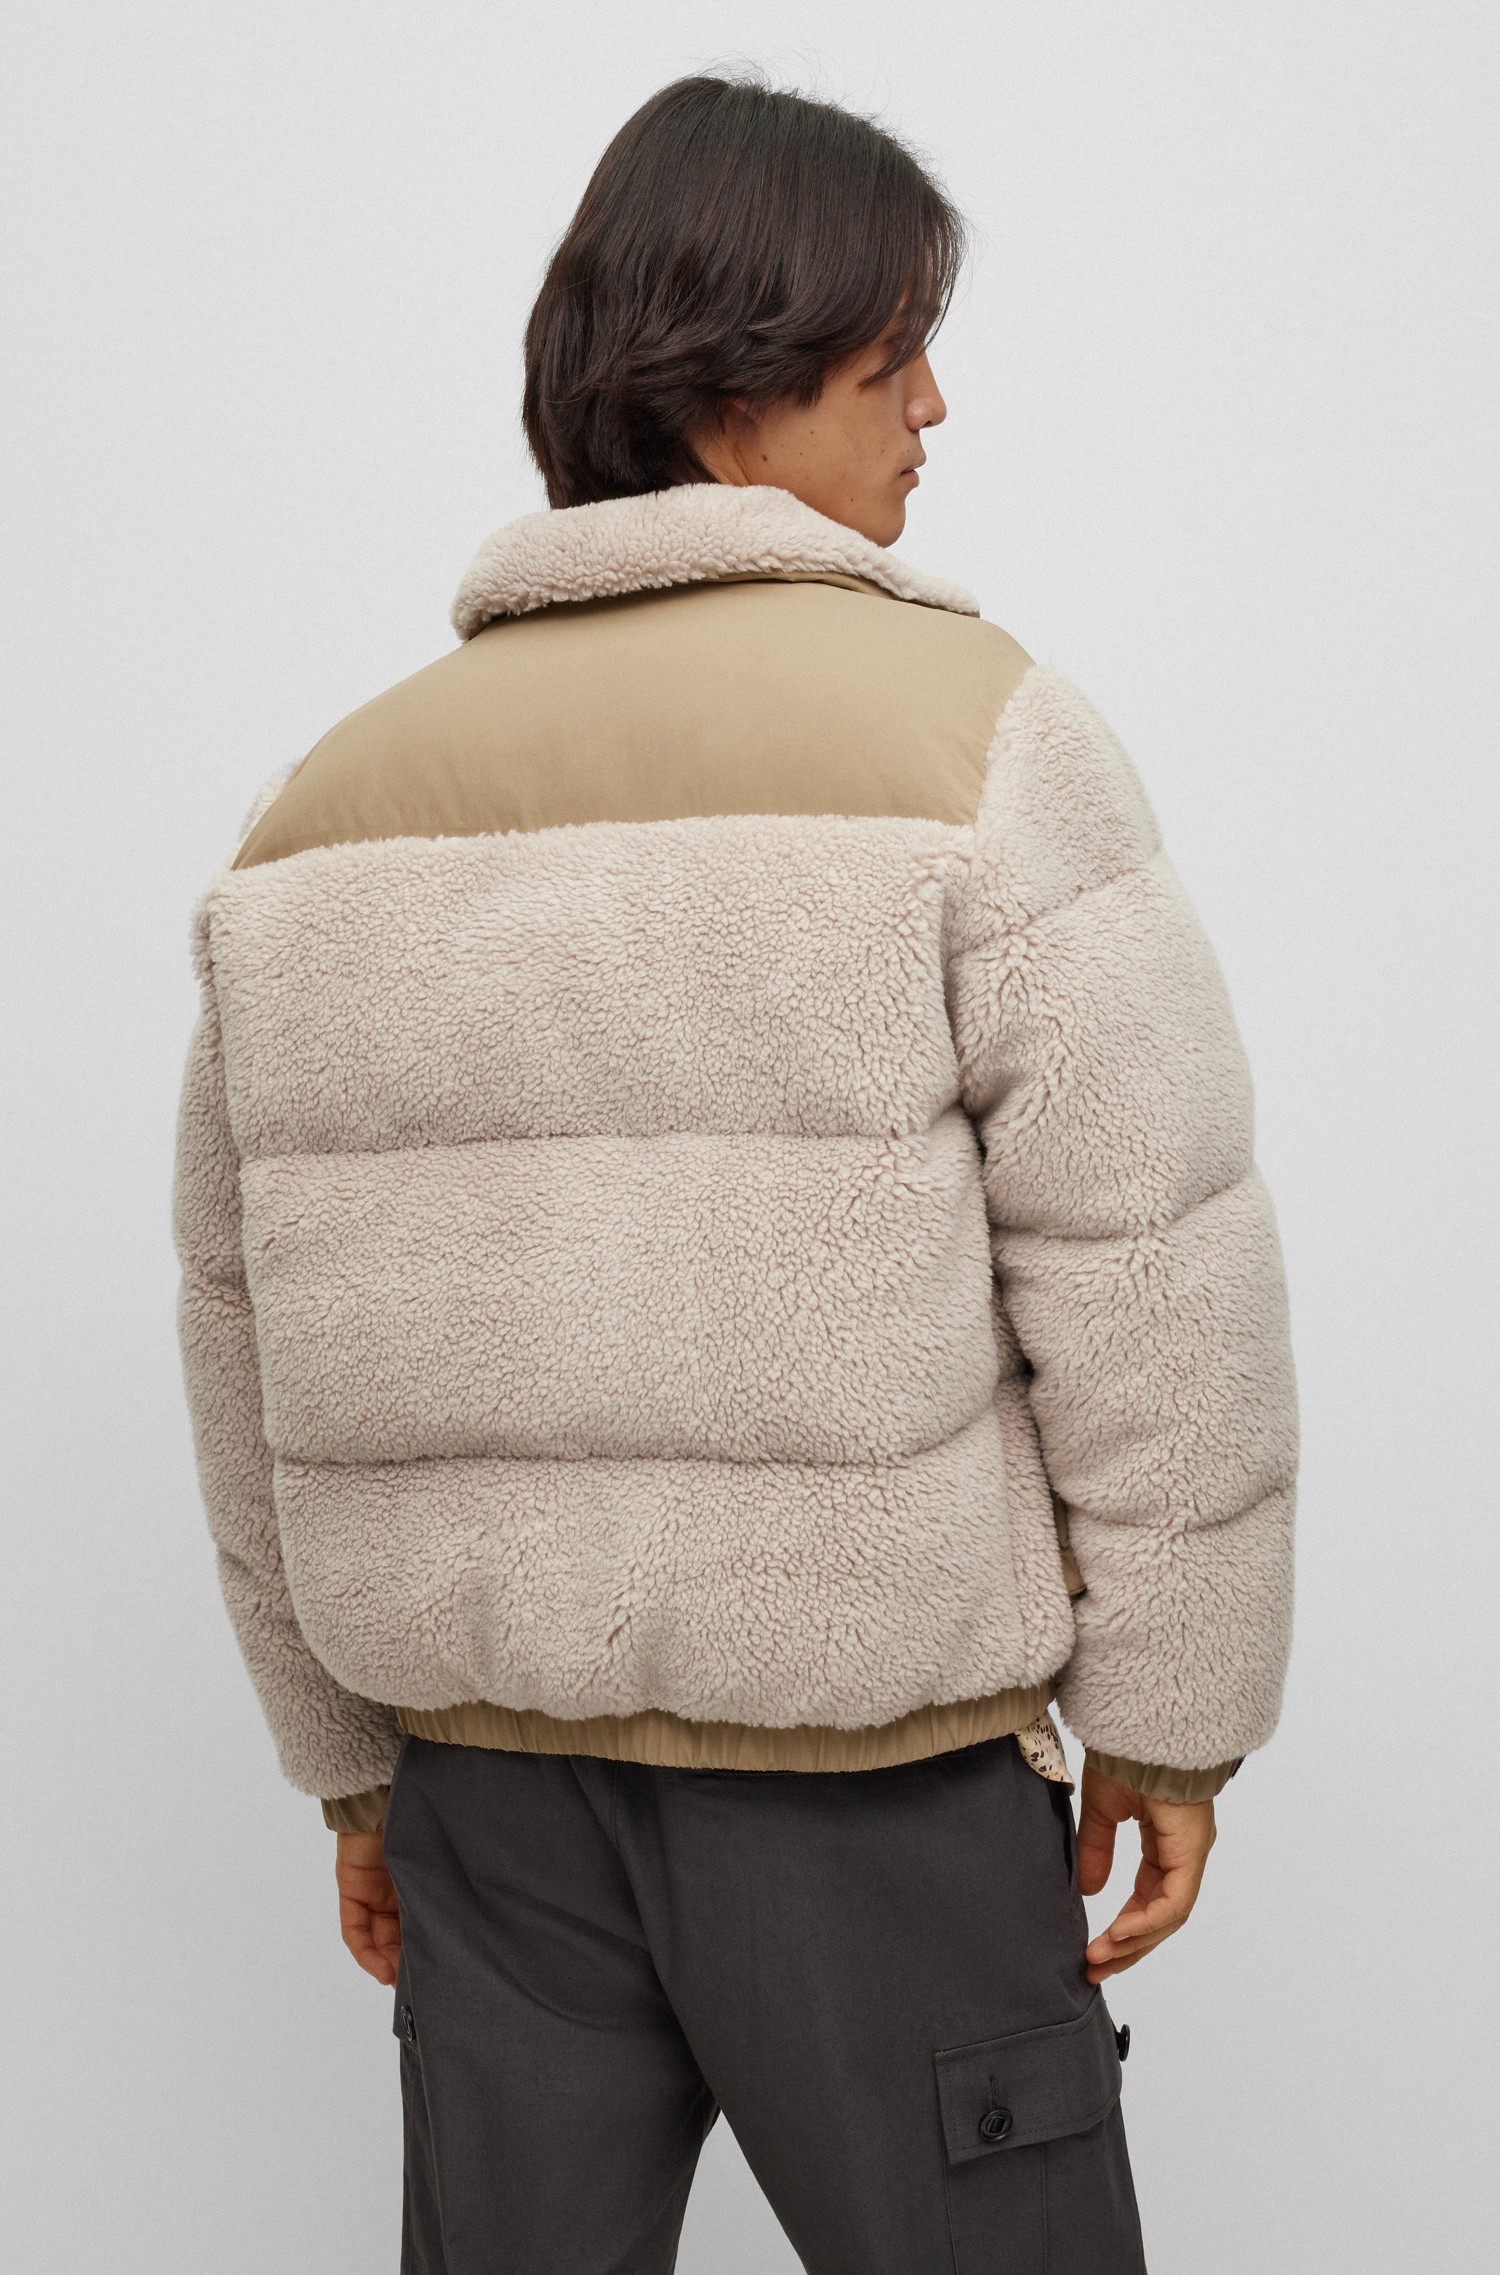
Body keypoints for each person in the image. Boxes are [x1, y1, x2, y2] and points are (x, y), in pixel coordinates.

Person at [173, 74, 1297, 2275]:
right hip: (874, 1796)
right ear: (730, 376)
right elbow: (1148, 1267)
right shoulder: (978, 740)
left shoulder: (323, 808)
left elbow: (243, 1329)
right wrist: (1177, 1722)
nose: (935, 410)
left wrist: (352, 1760)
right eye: (893, 361)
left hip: (493, 1800)